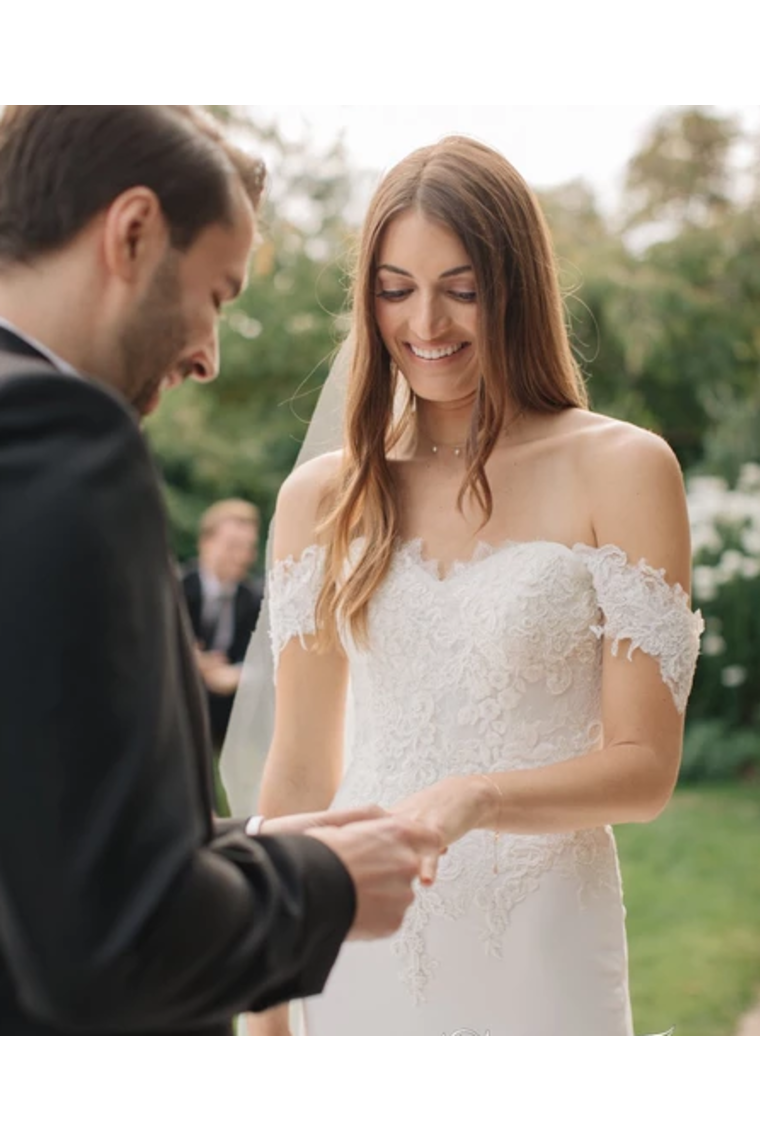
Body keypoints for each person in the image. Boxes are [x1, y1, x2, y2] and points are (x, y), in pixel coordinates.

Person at [227, 136, 704, 1035]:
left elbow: (645, 770)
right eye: (396, 289)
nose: (426, 324)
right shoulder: (323, 496)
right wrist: (269, 994)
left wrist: (479, 796)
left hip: (542, 939)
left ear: (516, 285)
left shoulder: (627, 469)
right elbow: (297, 770)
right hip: (357, 942)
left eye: (463, 289)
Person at [0, 104, 441, 1036]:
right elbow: (108, 951)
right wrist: (321, 885)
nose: (207, 354)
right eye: (217, 295)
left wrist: (243, 848)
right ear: (133, 232)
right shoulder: (60, 439)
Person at [182, 499, 264, 752]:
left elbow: (264, 658)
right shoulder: (176, 589)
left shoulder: (253, 598)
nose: (241, 557)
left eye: (248, 548)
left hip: (230, 705)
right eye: (232, 546)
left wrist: (238, 676)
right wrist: (191, 661)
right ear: (205, 543)